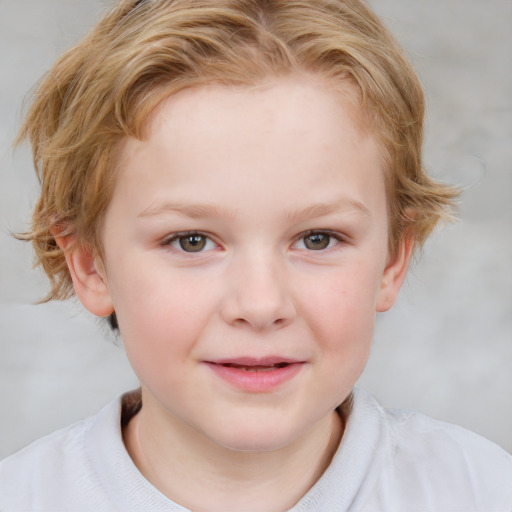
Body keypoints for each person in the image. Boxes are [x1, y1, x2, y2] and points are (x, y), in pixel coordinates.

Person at [1, 0, 511, 510]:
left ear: (393, 260)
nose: (262, 304)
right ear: (90, 264)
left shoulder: (482, 490)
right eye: (192, 241)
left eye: (318, 239)